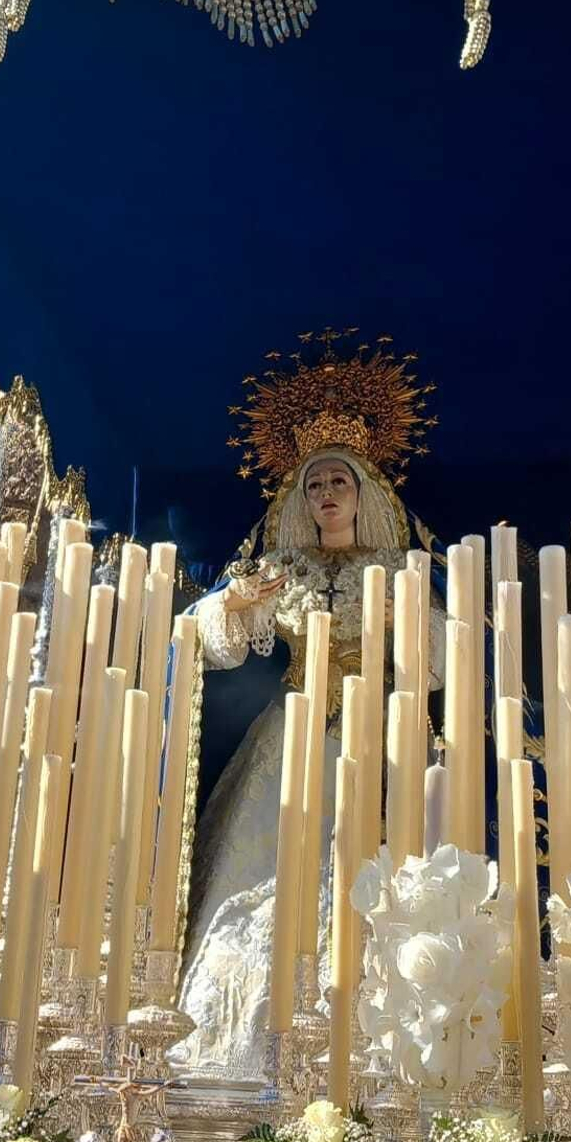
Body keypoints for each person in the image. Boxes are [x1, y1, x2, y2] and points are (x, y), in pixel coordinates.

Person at [174, 341, 443, 1082]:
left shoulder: (395, 570)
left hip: (377, 737)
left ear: (364, 492)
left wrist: (415, 621)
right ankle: (239, 1048)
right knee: (260, 881)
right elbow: (207, 639)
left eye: (339, 480)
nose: (327, 492)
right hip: (292, 737)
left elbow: (445, 658)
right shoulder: (282, 568)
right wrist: (233, 601)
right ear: (301, 496)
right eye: (315, 481)